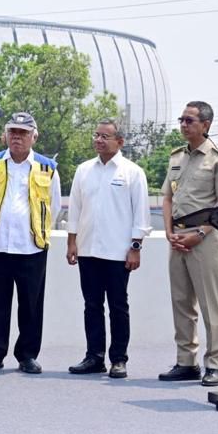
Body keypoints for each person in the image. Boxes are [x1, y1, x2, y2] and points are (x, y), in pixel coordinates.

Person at [0, 112, 61, 375]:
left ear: (34, 135)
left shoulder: (47, 167)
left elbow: (53, 206)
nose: (17, 137)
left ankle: (27, 355)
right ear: (6, 135)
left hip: (31, 245)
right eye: (13, 132)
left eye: (23, 133)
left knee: (31, 304)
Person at [64, 119, 151, 379]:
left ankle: (119, 359)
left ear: (120, 142)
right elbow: (75, 208)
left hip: (117, 252)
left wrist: (135, 247)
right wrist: (71, 242)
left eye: (105, 136)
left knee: (118, 306)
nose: (99, 140)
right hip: (88, 249)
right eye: (97, 135)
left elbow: (141, 215)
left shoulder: (132, 172)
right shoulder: (84, 170)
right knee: (91, 305)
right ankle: (94, 356)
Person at [159, 101, 218, 386]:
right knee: (181, 303)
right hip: (177, 236)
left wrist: (199, 234)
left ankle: (213, 363)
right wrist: (168, 231)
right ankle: (186, 361)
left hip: (206, 238)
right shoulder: (176, 156)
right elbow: (167, 197)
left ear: (206, 125)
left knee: (210, 304)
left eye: (190, 120)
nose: (184, 124)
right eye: (182, 119)